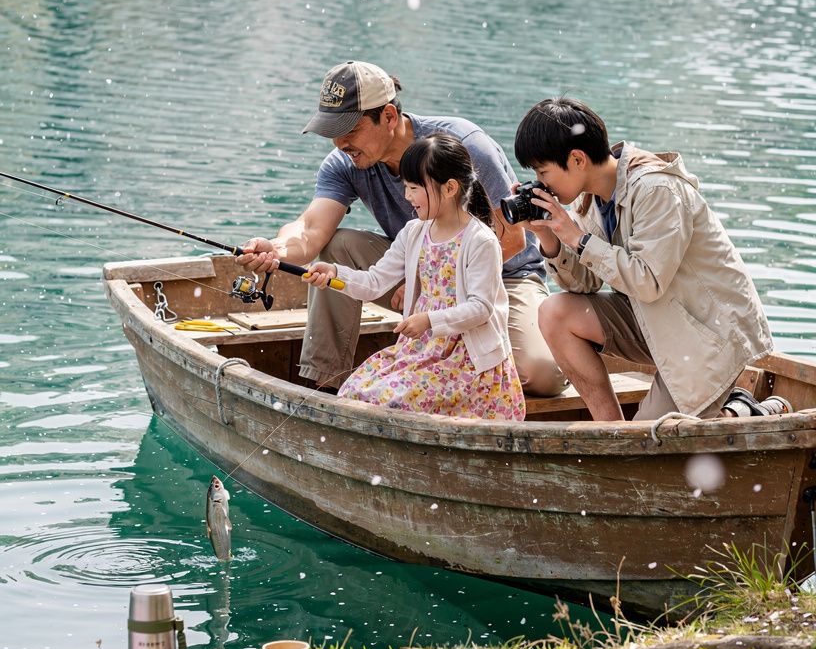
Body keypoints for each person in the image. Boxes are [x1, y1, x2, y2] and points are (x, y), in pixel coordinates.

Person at [240, 60, 565, 396]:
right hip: (416, 268)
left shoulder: (463, 144)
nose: (340, 144)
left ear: (389, 117)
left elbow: (512, 238)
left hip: (502, 276)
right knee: (337, 246)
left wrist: (432, 285)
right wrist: (276, 250)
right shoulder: (346, 162)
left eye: (350, 130)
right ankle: (325, 386)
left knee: (543, 377)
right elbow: (310, 229)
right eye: (332, 132)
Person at [513, 96, 778, 422]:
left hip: (703, 332)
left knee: (651, 438)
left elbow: (647, 282)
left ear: (577, 159)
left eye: (543, 172)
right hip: (656, 320)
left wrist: (575, 237)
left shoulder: (657, 190)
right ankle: (610, 431)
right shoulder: (591, 198)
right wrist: (548, 235)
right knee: (555, 312)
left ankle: (743, 410)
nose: (541, 184)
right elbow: (584, 284)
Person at [306, 133, 525, 421]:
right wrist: (336, 275)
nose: (407, 197)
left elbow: (481, 308)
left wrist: (429, 321)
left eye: (414, 188)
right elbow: (374, 282)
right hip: (421, 350)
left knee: (391, 402)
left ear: (449, 188)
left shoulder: (481, 240)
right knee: (354, 390)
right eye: (406, 187)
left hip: (467, 361)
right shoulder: (414, 232)